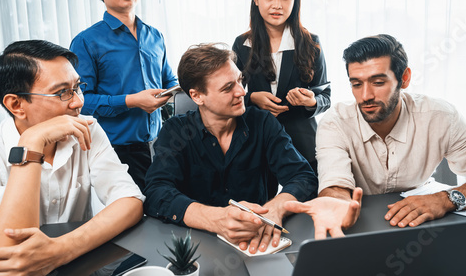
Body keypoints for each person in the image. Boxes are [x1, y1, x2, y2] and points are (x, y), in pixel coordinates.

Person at [144, 43, 361, 254]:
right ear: (196, 96)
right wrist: (215, 219)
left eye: (240, 80)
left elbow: (303, 177)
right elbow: (156, 192)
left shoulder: (263, 123)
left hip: (259, 241)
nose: (241, 92)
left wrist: (276, 209)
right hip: (197, 246)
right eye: (228, 87)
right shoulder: (176, 131)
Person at [0, 40, 144, 275]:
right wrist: (31, 142)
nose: (78, 101)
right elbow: (0, 257)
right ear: (16, 105)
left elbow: (130, 201)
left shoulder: (87, 129)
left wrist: (61, 250)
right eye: (62, 92)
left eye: (77, 87)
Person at [286, 34, 466, 229]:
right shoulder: (336, 122)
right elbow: (335, 187)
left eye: (378, 82)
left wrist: (444, 200)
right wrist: (337, 205)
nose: (366, 96)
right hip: (361, 224)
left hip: (422, 224)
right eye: (357, 84)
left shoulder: (441, 116)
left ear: (404, 78)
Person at [70, 0, 178, 191]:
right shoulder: (86, 41)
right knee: (134, 218)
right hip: (115, 150)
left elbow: (169, 79)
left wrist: (185, 87)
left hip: (160, 144)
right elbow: (79, 102)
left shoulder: (155, 35)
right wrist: (131, 101)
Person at [232, 0, 330, 178]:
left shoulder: (311, 43)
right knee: (258, 206)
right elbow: (230, 92)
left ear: (295, 0)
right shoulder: (242, 44)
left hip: (302, 146)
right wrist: (251, 98)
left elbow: (325, 96)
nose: (277, 5)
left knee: (306, 204)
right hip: (255, 142)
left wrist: (310, 101)